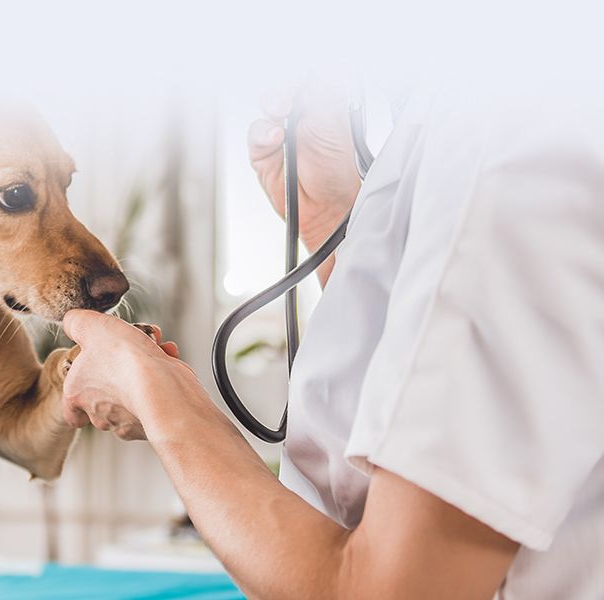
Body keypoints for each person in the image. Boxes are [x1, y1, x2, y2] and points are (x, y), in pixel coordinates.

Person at [60, 78, 604, 598]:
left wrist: (157, 395)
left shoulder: (503, 144)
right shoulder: (443, 135)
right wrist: (332, 227)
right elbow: (403, 412)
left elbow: (384, 591)